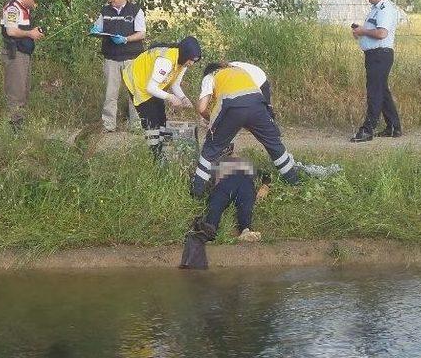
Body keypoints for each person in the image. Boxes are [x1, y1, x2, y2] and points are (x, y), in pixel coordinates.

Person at [190, 62, 298, 197]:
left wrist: (210, 119)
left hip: (231, 106)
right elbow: (247, 100)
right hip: (258, 103)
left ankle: (197, 191)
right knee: (274, 144)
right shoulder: (239, 71)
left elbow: (201, 108)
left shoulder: (210, 76)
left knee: (211, 148)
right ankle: (294, 183)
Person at [121, 36, 201, 158]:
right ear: (185, 54)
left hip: (153, 84)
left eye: (194, 61)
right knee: (151, 120)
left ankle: (162, 147)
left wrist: (184, 98)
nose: (191, 64)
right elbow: (150, 88)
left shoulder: (182, 62)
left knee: (161, 116)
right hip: (138, 82)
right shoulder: (166, 61)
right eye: (191, 60)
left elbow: (175, 84)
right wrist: (171, 97)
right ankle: (155, 155)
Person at [180, 157, 263, 270]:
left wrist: (265, 187)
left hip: (244, 181)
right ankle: (211, 228)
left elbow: (265, 176)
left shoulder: (247, 164)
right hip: (225, 182)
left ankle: (245, 230)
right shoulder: (216, 163)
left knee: (244, 204)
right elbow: (201, 180)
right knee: (217, 204)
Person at [350, 0, 402, 142]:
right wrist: (360, 32)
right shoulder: (375, 9)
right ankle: (393, 127)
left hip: (381, 54)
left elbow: (381, 34)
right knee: (382, 91)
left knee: (374, 92)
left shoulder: (385, 9)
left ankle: (368, 129)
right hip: (375, 55)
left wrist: (363, 31)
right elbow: (373, 31)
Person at [90, 0, 146, 132]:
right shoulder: (105, 11)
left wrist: (126, 39)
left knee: (134, 92)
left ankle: (136, 126)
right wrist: (95, 30)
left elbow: (142, 33)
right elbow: (97, 29)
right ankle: (108, 125)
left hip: (132, 59)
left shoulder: (135, 11)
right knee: (110, 93)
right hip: (111, 58)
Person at [0, 0, 47, 132]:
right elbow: (11, 31)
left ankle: (20, 127)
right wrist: (30, 34)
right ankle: (15, 131)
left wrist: (33, 32)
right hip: (15, 54)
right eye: (35, 1)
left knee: (24, 91)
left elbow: (22, 29)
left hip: (23, 54)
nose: (36, 5)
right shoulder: (13, 7)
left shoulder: (24, 9)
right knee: (16, 93)